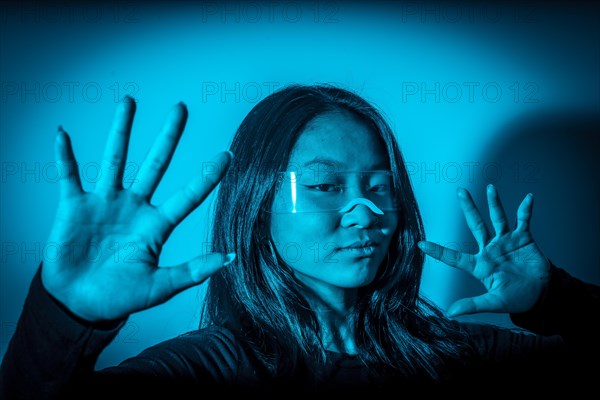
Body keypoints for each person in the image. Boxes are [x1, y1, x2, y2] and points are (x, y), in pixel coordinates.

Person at [0, 85, 598, 398]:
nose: (364, 213)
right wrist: (64, 313)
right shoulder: (212, 370)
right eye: (323, 185)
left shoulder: (458, 357)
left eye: (380, 186)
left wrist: (555, 298)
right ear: (258, 205)